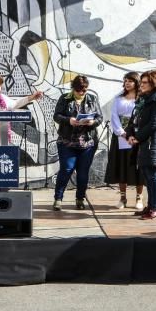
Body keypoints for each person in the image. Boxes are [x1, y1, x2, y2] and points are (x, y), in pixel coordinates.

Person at [0, 71, 43, 192]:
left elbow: (17, 103)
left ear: (0, 87)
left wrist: (32, 97)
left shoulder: (4, 100)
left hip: (2, 145)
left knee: (3, 178)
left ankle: (3, 205)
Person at [52, 75, 102, 211]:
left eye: (84, 90)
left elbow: (99, 117)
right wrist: (69, 120)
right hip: (67, 142)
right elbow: (56, 116)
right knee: (66, 169)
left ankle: (80, 198)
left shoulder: (92, 99)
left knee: (83, 173)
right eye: (79, 90)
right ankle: (58, 198)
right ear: (73, 88)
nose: (81, 92)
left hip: (87, 143)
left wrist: (93, 122)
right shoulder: (65, 98)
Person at [126, 69, 156, 220]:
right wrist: (130, 134)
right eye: (141, 82)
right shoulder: (142, 99)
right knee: (146, 174)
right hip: (142, 141)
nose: (141, 85)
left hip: (152, 141)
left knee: (152, 175)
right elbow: (133, 119)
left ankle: (155, 208)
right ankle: (150, 207)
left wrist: (138, 137)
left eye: (145, 82)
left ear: (154, 83)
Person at [105, 71, 144, 210]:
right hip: (121, 137)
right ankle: (123, 198)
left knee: (138, 168)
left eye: (131, 81)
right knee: (121, 166)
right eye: (126, 80)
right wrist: (122, 133)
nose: (127, 83)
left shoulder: (142, 99)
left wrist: (136, 136)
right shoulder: (118, 99)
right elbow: (114, 117)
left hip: (137, 138)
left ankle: (139, 197)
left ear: (137, 82)